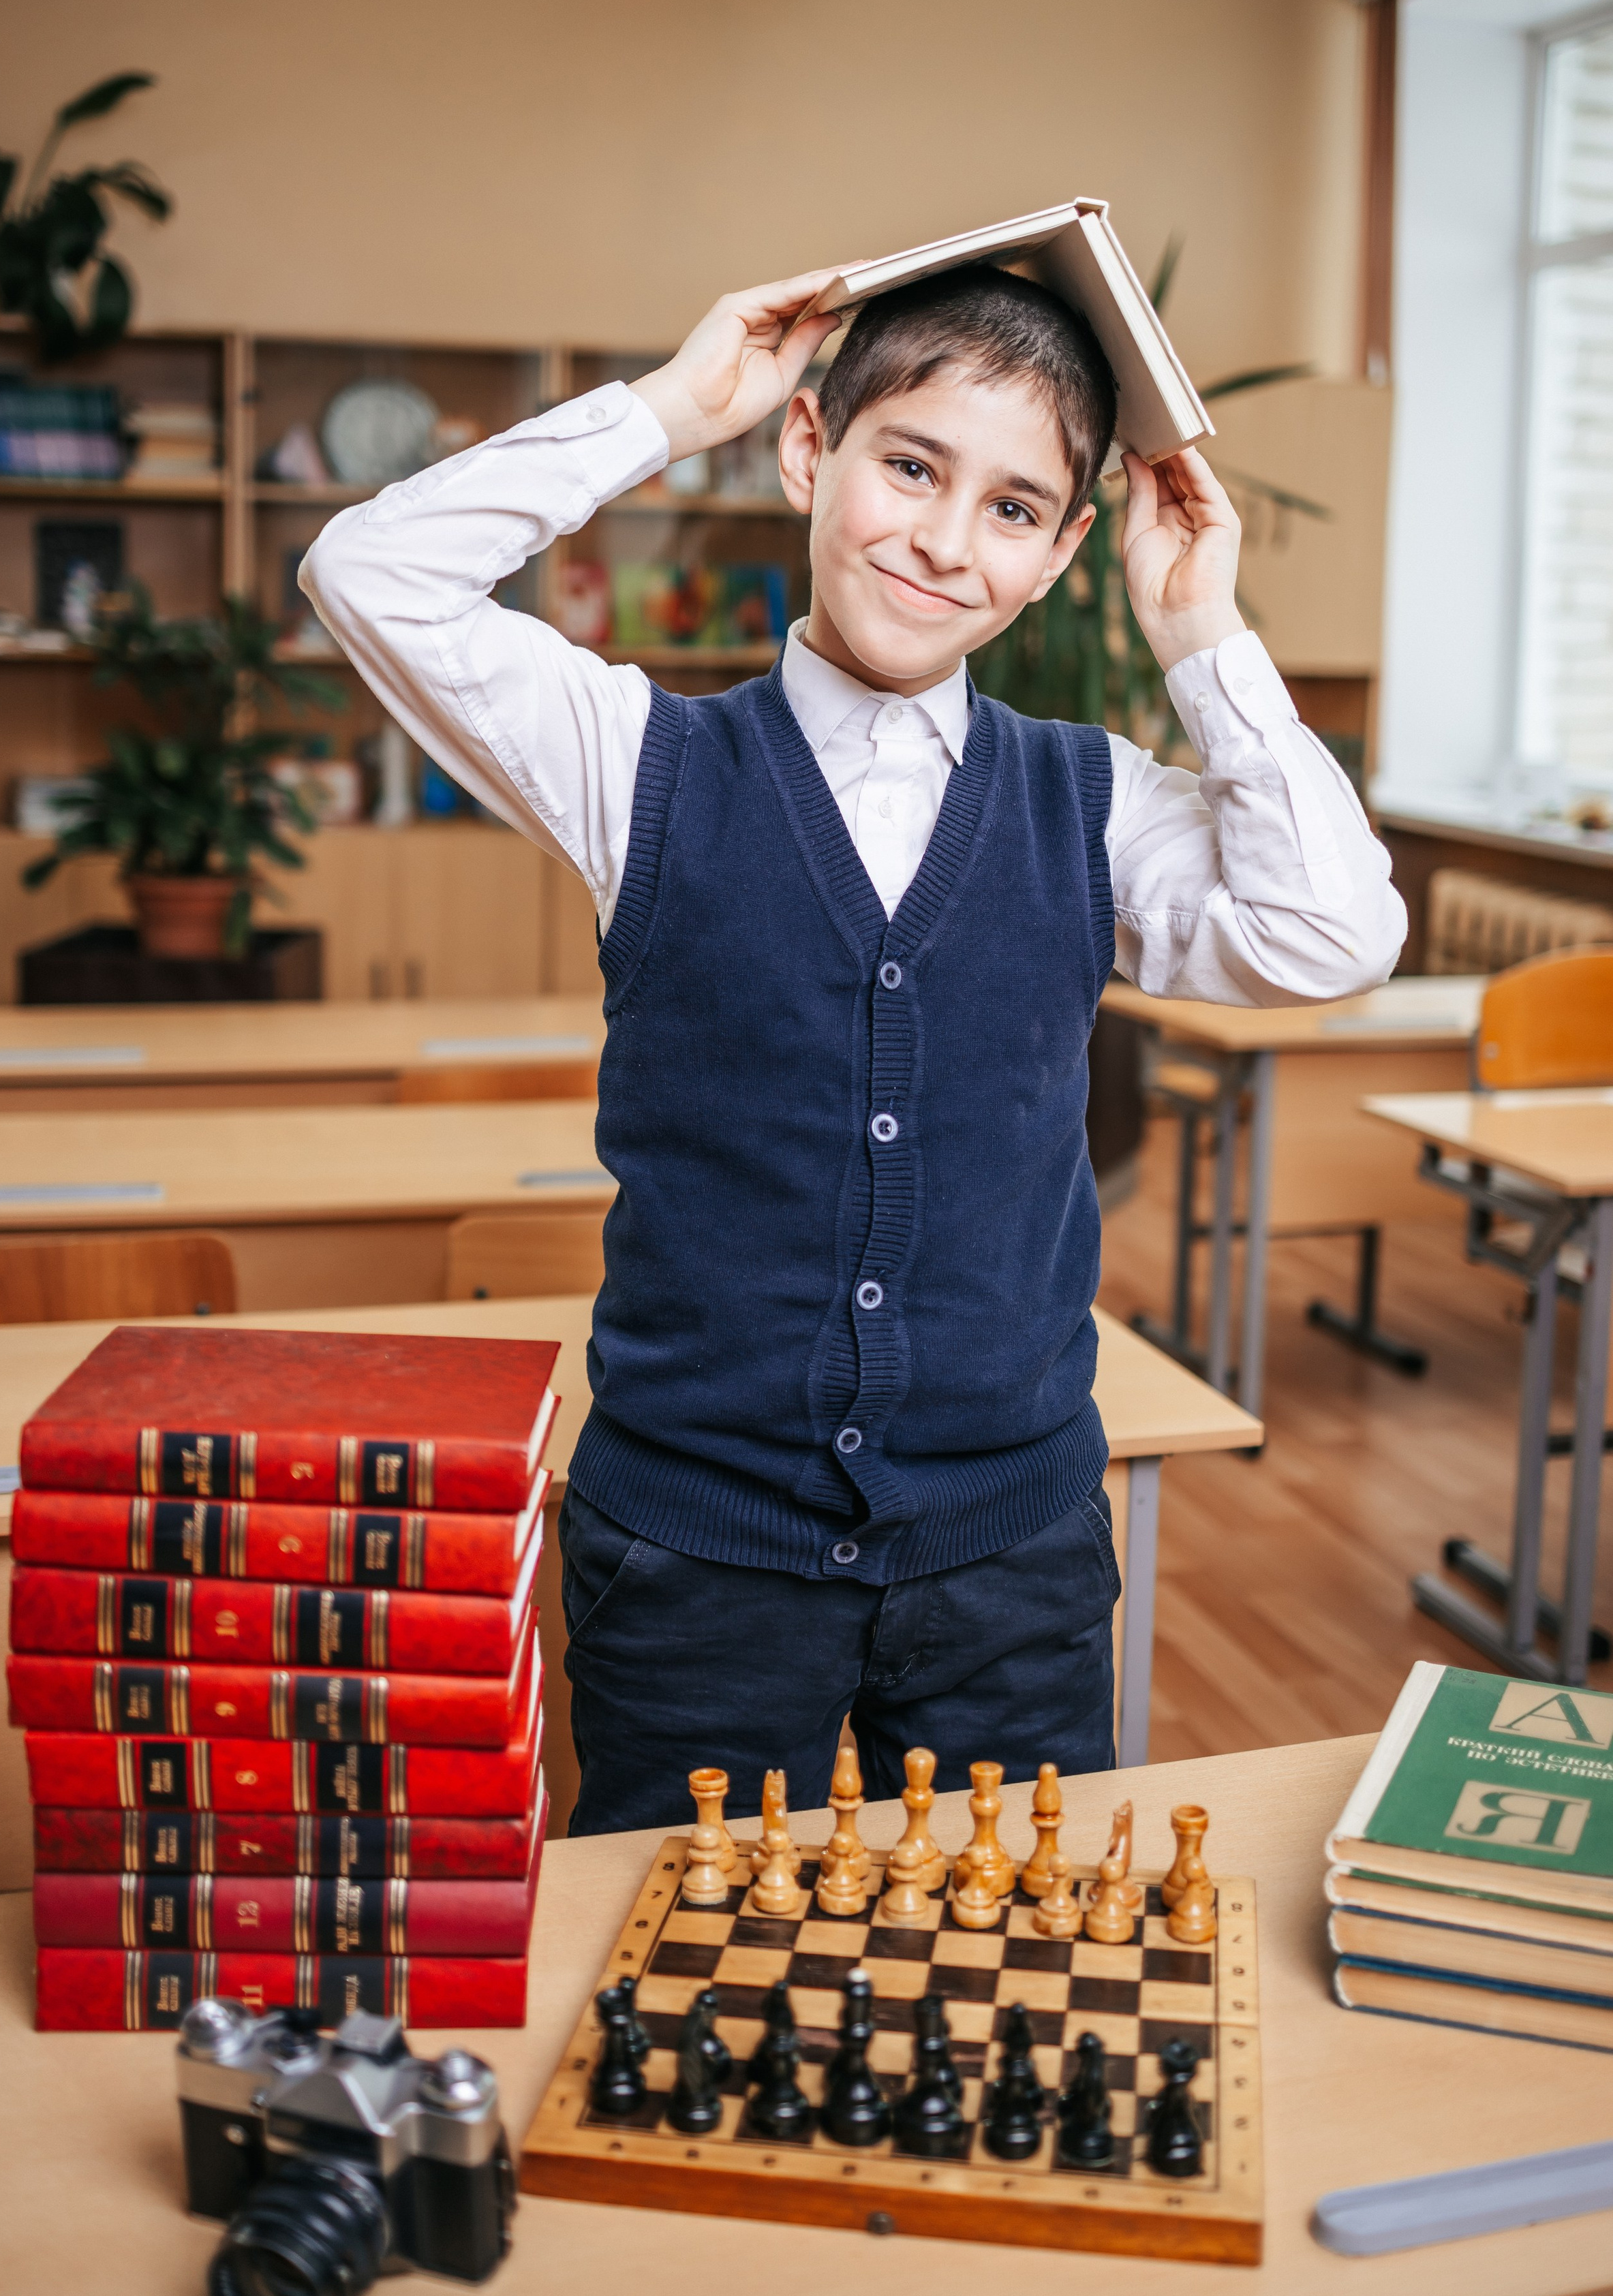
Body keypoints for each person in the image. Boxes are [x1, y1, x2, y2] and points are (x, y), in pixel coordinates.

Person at [301, 262, 1405, 1833]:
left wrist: (1198, 631)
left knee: (1009, 1952)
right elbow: (370, 571)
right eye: (909, 466)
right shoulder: (640, 760)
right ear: (808, 451)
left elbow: (1331, 935)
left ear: (1061, 555)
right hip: (691, 1552)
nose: (946, 541)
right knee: (685, 1950)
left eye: (1013, 509)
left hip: (1008, 1553)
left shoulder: (1092, 804)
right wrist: (670, 410)